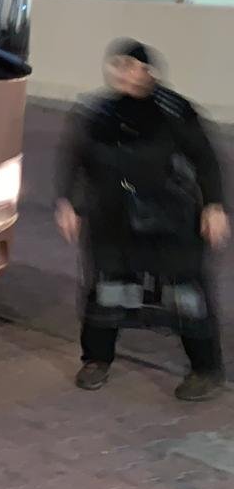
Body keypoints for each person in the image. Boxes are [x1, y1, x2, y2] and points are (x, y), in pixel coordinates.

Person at [56, 39, 228, 401]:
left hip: (170, 218)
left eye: (129, 65)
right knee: (106, 287)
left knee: (184, 293)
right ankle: (97, 359)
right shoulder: (99, 113)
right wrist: (67, 201)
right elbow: (75, 157)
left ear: (147, 71)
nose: (121, 71)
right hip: (112, 217)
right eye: (116, 64)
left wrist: (214, 205)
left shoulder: (173, 110)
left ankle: (205, 369)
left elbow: (205, 159)